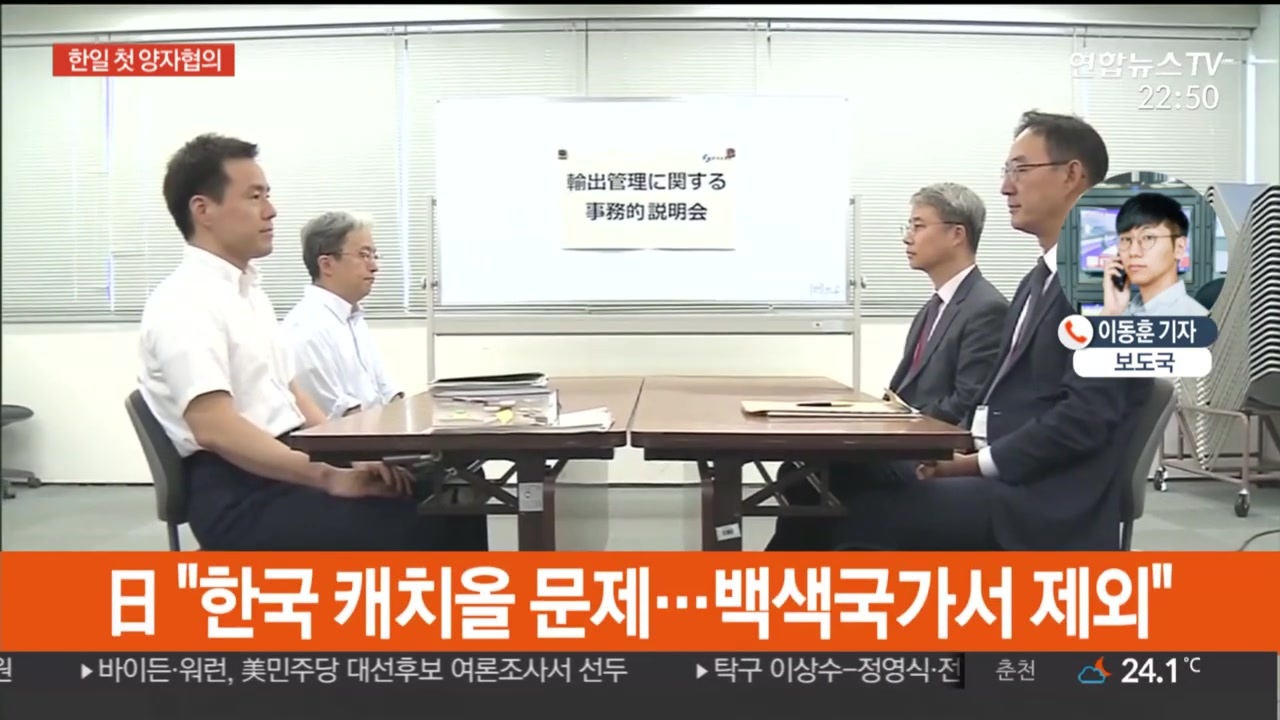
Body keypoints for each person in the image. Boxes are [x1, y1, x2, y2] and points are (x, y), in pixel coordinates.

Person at [137, 133, 488, 551]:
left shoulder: (249, 294)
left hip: (288, 461)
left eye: (267, 195)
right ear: (203, 210)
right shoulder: (184, 302)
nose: (270, 210)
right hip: (241, 489)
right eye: (254, 197)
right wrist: (329, 477)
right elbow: (214, 427)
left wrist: (349, 454)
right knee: (413, 521)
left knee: (456, 488)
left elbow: (292, 392)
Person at [828, 110, 1151, 552]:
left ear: (1071, 175)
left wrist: (974, 464)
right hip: (1006, 473)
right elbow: (999, 403)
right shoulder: (1038, 280)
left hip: (1045, 501)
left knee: (862, 514)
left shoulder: (1111, 282)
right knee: (830, 483)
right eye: (1006, 172)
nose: (1005, 187)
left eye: (1020, 170)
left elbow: (1084, 419)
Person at [765, 183, 1007, 551]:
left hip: (931, 453)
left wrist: (896, 429)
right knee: (801, 471)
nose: (907, 237)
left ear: (957, 234)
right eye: (908, 227)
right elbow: (903, 393)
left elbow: (966, 403)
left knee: (818, 474)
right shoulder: (935, 307)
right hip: (905, 441)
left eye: (918, 226)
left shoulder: (986, 308)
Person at [283, 211, 403, 419]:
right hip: (353, 438)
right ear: (326, 264)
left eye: (374, 256)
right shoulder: (306, 329)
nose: (374, 267)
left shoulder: (352, 319)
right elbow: (338, 418)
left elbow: (387, 392)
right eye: (363, 255)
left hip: (380, 432)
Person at [1102, 192, 1210, 317]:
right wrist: (1111, 312)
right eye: (1126, 239)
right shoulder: (1121, 312)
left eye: (1148, 238)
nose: (1133, 252)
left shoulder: (1196, 320)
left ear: (1179, 247)